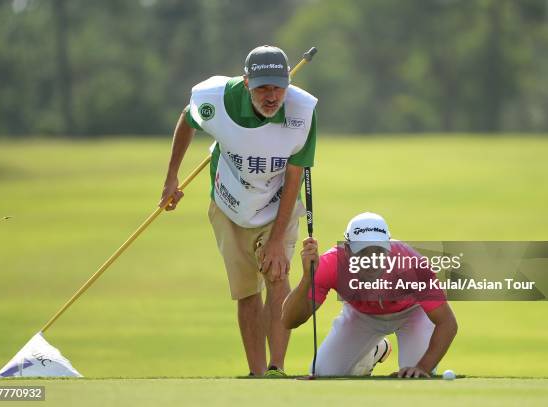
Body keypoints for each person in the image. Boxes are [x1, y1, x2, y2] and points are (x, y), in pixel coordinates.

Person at [159, 45, 317, 377]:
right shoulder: (216, 99)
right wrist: (172, 175)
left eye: (278, 86)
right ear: (246, 83)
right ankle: (256, 374)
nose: (271, 95)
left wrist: (276, 241)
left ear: (287, 82)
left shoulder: (303, 112)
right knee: (246, 291)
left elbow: (293, 180)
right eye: (262, 87)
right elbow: (188, 119)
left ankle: (276, 368)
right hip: (228, 204)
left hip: (277, 206)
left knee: (277, 276)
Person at [282, 212, 458, 377]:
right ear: (348, 250)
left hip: (412, 314)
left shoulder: (412, 264)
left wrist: (422, 367)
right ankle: (373, 352)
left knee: (415, 376)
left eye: (379, 251)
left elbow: (447, 323)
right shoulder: (330, 263)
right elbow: (289, 321)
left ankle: (389, 355)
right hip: (361, 315)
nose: (372, 260)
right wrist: (307, 278)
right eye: (363, 252)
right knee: (323, 373)